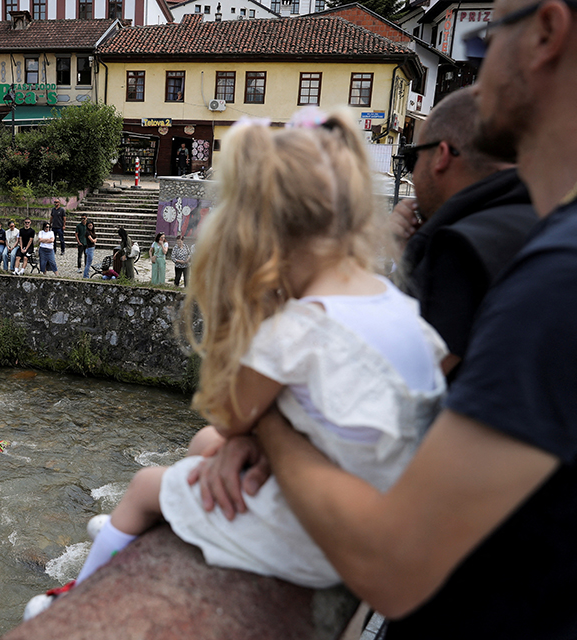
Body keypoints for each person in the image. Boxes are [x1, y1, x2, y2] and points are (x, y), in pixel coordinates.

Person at [193, 5, 577, 637]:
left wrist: (270, 430)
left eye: (489, 32)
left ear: (545, 33)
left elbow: (393, 565)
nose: (474, 71)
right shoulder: (539, 244)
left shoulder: (558, 278)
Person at [24, 109, 447, 620]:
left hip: (318, 543)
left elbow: (230, 414)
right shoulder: (401, 306)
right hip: (386, 510)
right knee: (205, 447)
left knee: (145, 486)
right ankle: (146, 532)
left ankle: (76, 598)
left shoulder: (297, 328)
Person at [391, 88, 537, 374]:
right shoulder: (545, 217)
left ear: (440, 156)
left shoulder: (457, 248)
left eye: (413, 159)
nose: (413, 172)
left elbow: (407, 377)